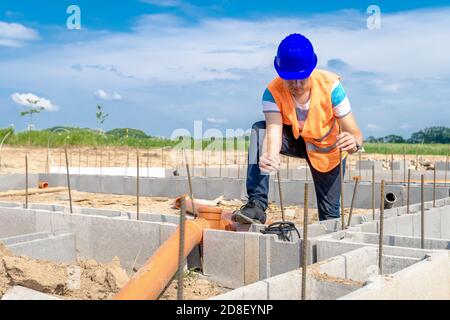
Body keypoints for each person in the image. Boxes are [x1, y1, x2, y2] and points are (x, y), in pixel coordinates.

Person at [232, 33, 363, 224]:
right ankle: (257, 205)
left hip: (327, 150)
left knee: (329, 218)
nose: (297, 85)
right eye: (290, 79)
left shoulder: (331, 88)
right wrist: (270, 155)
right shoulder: (272, 92)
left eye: (302, 78)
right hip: (296, 140)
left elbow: (355, 133)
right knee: (259, 130)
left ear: (311, 69)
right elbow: (274, 131)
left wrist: (354, 144)